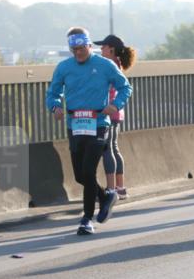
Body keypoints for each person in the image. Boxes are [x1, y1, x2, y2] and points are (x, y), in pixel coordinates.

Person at [46, 28, 131, 235]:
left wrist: (115, 105)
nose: (78, 53)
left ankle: (86, 219)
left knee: (89, 171)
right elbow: (53, 93)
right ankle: (105, 196)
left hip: (98, 123)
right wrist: (55, 107)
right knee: (80, 176)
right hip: (75, 124)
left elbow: (125, 87)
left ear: (89, 45)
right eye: (74, 49)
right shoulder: (64, 67)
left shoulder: (105, 65)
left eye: (81, 48)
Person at [97, 34, 136, 199]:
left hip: (109, 111)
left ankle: (111, 189)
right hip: (117, 112)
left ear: (111, 49)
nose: (101, 49)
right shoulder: (117, 64)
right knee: (114, 148)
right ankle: (120, 188)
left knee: (107, 149)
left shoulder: (110, 65)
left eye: (104, 46)